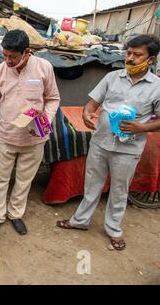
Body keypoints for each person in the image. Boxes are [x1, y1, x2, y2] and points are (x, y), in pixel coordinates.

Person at [56, 34, 160, 251]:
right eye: (129, 53)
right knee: (92, 184)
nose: (130, 58)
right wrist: (87, 113)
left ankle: (114, 229)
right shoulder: (112, 78)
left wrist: (142, 128)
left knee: (120, 190)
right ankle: (80, 221)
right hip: (101, 142)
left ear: (150, 59)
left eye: (137, 55)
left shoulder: (156, 87)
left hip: (128, 148)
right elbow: (92, 103)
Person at [0, 30, 60, 237]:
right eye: (5, 55)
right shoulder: (0, 70)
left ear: (27, 52)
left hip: (35, 137)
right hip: (7, 135)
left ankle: (15, 214)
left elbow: (53, 98)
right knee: (0, 178)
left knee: (24, 179)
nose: (7, 60)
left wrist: (45, 119)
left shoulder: (44, 67)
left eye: (13, 57)